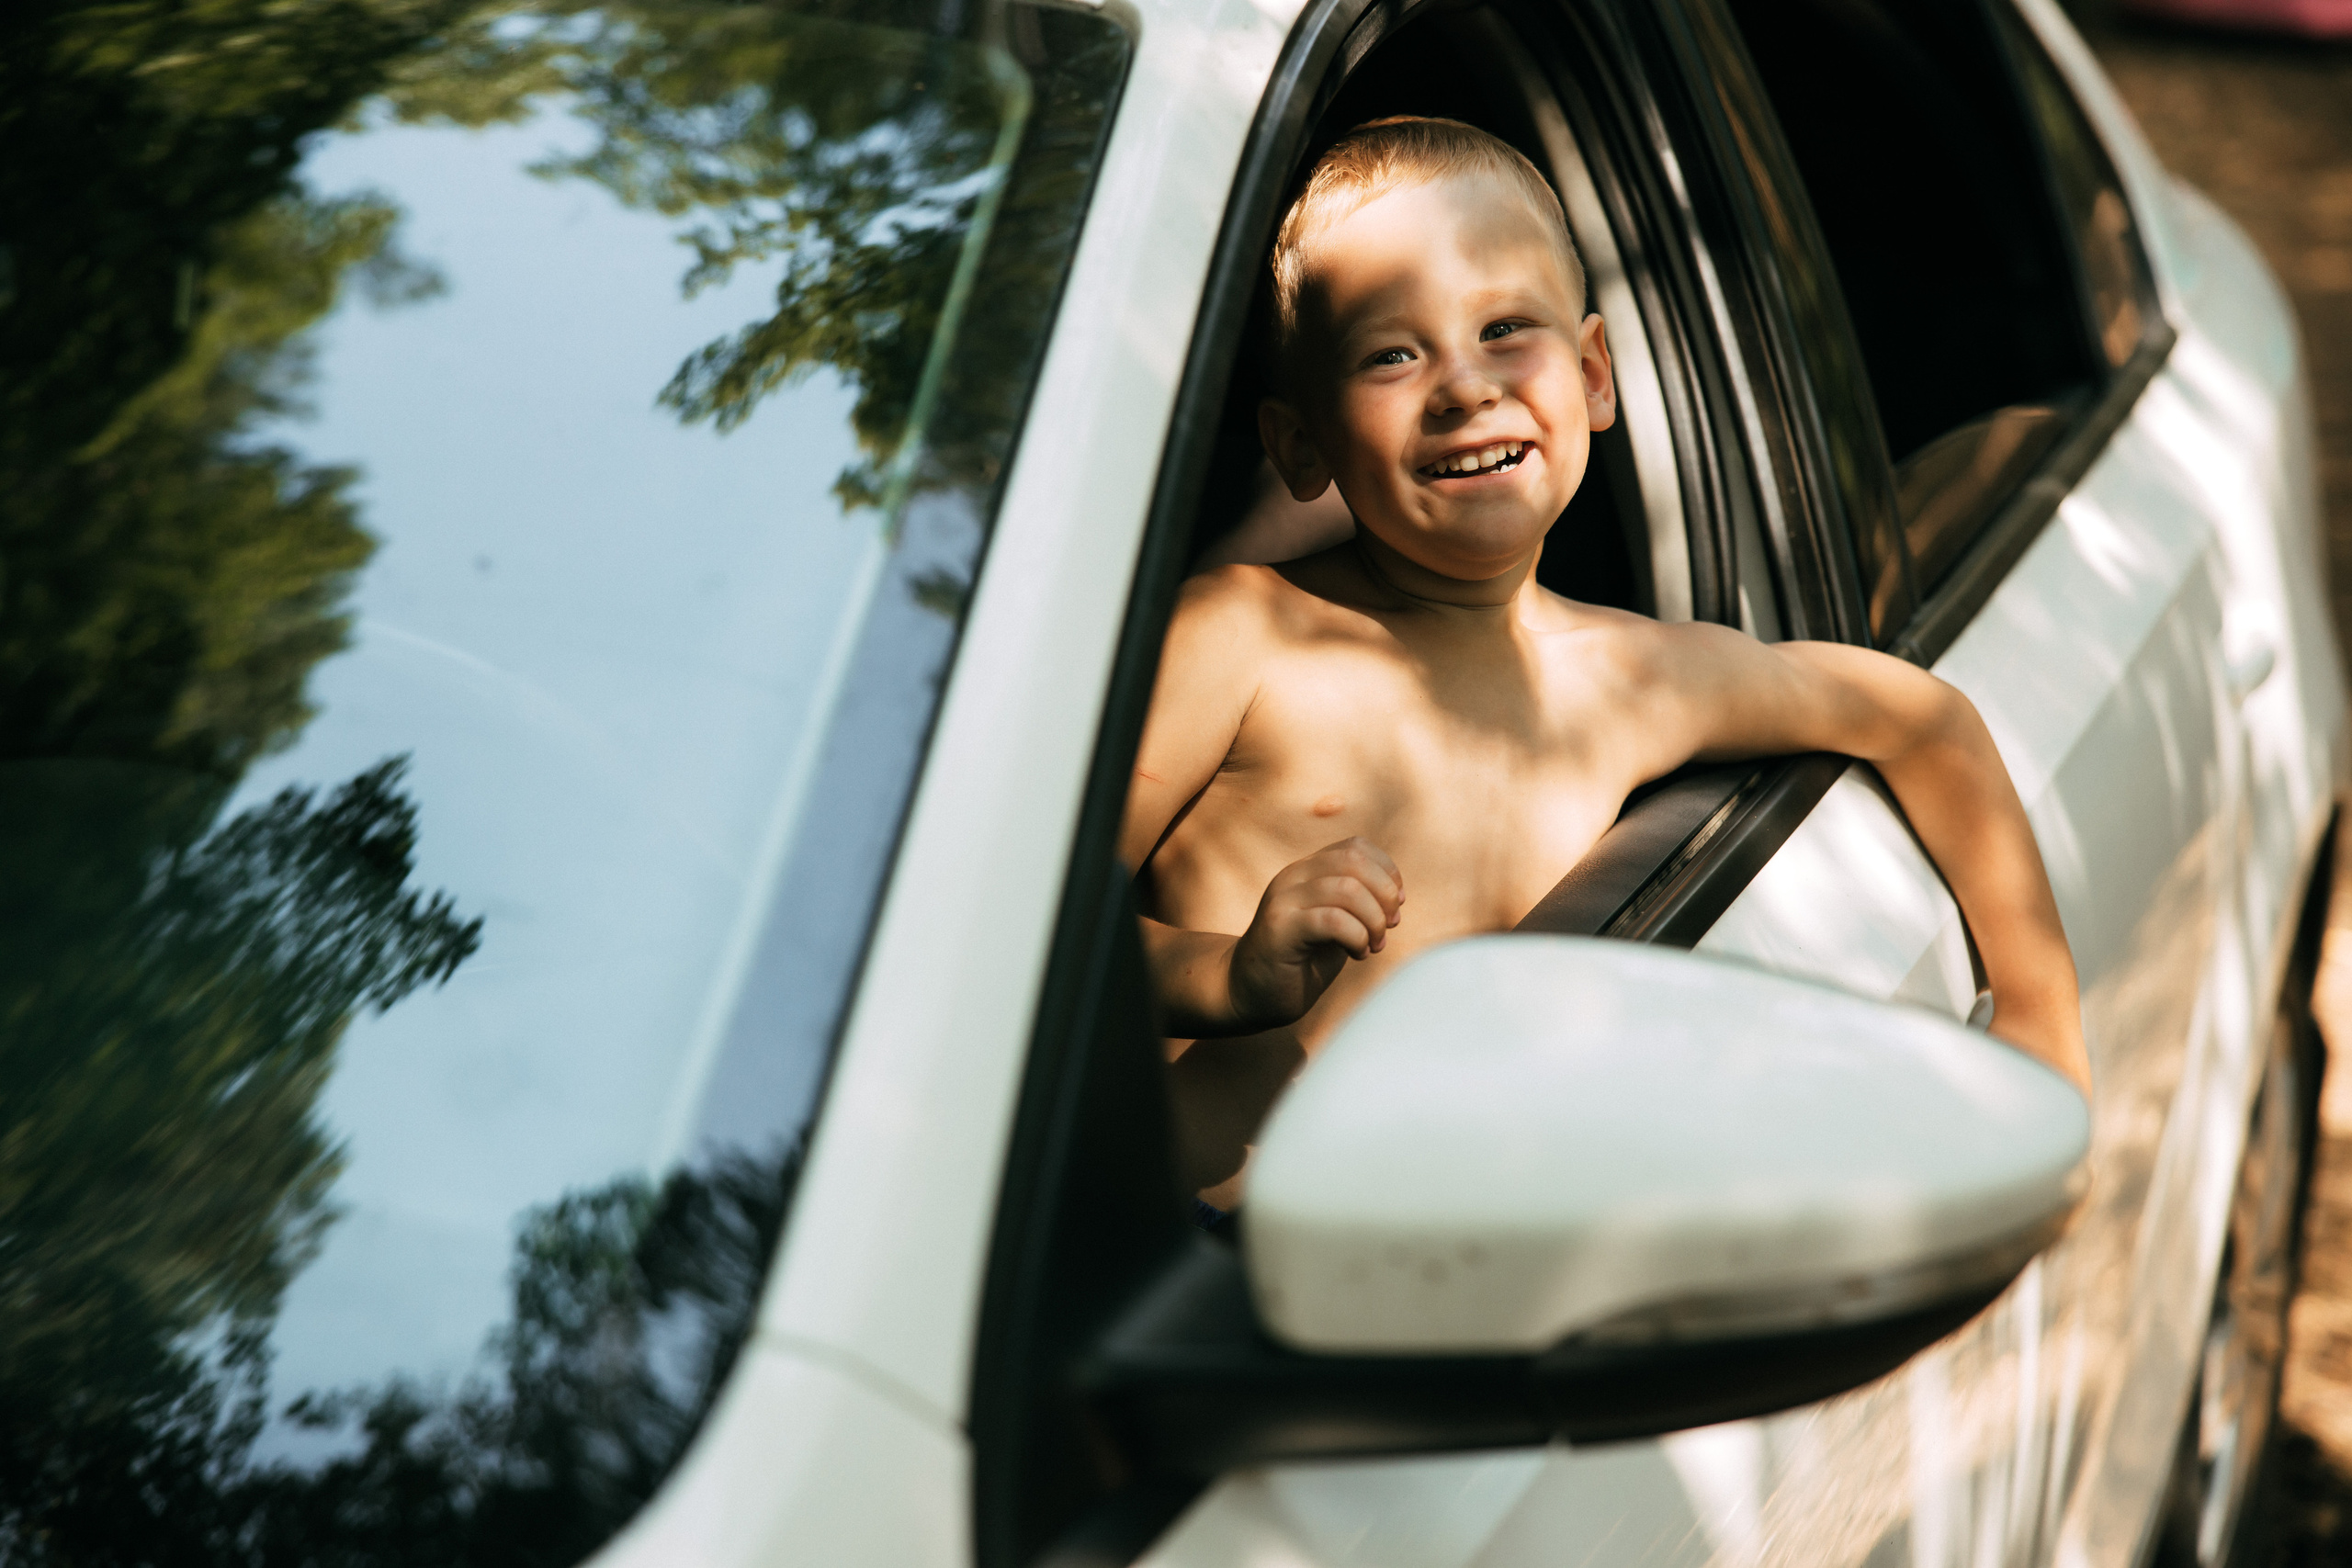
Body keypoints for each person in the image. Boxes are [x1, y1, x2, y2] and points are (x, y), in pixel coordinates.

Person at [1122, 116, 2090, 1211]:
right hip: (1185, 1292)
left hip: (1470, 1270)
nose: (1461, 387)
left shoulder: (1632, 680)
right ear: (1299, 445)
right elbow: (1028, 924)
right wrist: (1226, 974)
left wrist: (2038, 1021)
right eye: (1392, 353)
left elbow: (1919, 720)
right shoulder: (1242, 635)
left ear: (1590, 375)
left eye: (1503, 329)